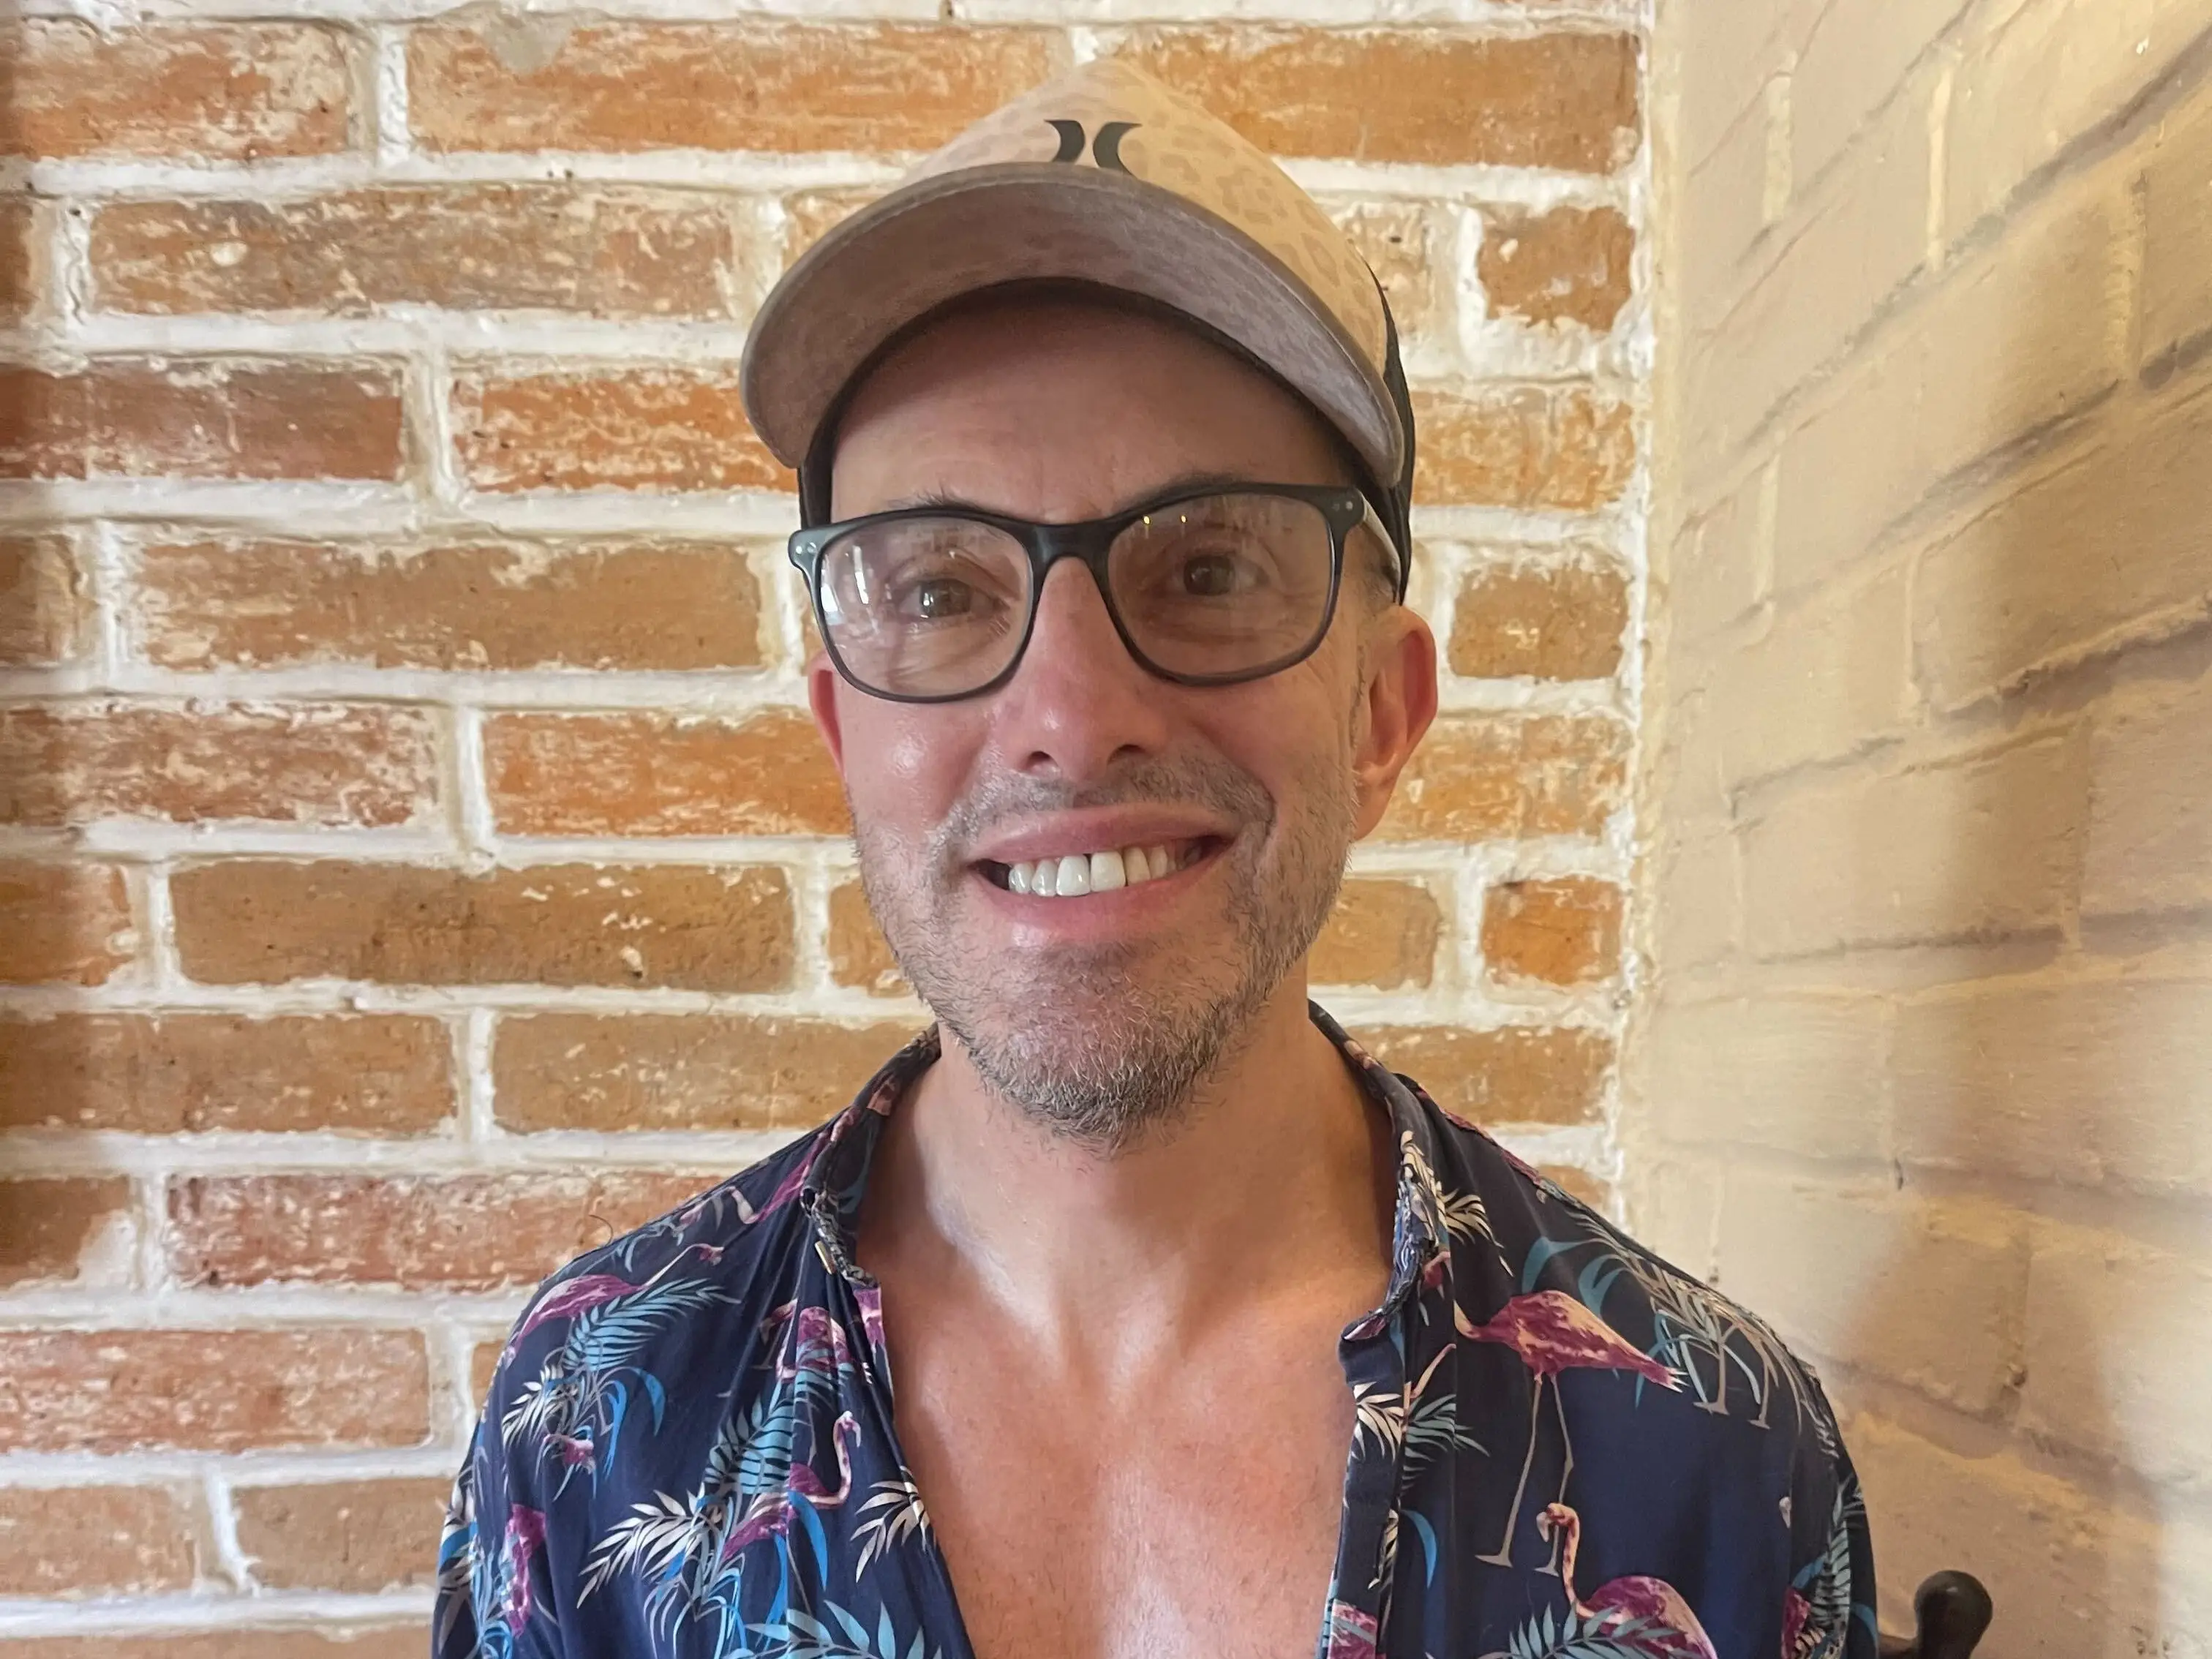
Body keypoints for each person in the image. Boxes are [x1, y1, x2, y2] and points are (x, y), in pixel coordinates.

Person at [435, 61, 1877, 1659]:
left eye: (1206, 565)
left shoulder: (1708, 1453)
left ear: (1383, 714)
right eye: (940, 591)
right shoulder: (598, 1422)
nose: (1067, 718)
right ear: (847, 732)